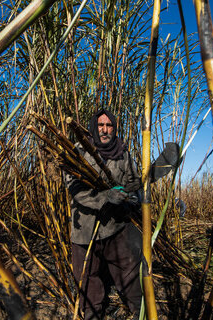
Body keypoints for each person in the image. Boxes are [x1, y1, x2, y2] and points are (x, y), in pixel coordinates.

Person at [65, 109, 143, 319]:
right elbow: (74, 187)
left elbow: (134, 185)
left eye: (109, 126)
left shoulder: (123, 153)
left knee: (129, 273)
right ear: (94, 127)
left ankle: (140, 312)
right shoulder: (80, 150)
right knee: (88, 279)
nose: (105, 130)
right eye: (101, 126)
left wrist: (128, 197)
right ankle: (92, 314)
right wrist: (103, 197)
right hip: (85, 230)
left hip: (115, 227)